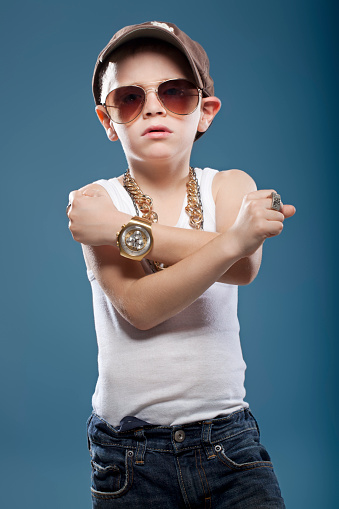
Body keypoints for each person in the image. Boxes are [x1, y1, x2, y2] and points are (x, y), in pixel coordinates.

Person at [67, 21, 295, 509]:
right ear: (108, 120)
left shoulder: (228, 186)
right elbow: (140, 308)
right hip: (129, 452)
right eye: (129, 97)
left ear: (205, 112)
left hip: (227, 441)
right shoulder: (96, 203)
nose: (153, 106)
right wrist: (231, 239)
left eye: (174, 93)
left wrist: (123, 232)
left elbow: (243, 268)